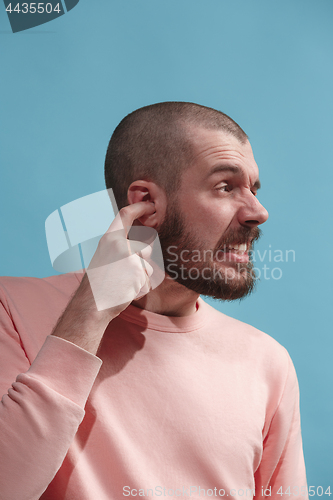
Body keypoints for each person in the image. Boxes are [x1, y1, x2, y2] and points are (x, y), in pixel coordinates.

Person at [0, 102, 308, 500]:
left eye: (254, 189)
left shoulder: (269, 363)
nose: (258, 212)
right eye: (226, 187)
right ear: (147, 204)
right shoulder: (10, 307)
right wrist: (89, 311)